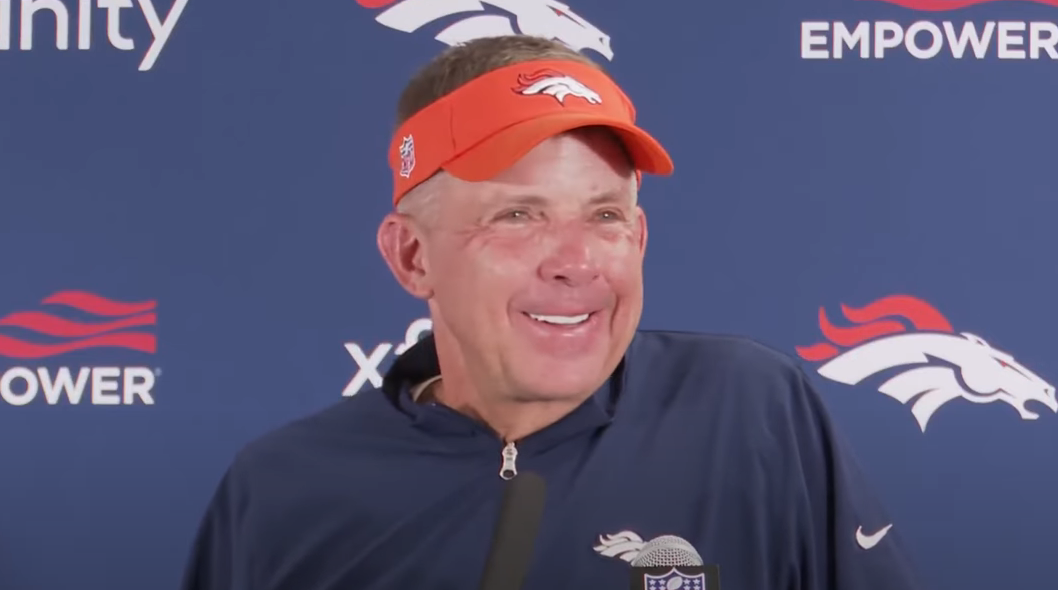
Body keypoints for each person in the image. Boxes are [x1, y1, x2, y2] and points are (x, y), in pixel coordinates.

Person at [180, 35, 926, 589]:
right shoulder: (282, 489)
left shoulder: (754, 410)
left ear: (638, 237)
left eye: (604, 217)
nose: (575, 261)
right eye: (517, 217)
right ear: (412, 258)